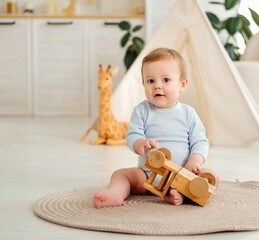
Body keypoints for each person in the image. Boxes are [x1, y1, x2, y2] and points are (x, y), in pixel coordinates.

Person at [94, 48, 220, 208]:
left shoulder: (188, 113)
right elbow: (132, 136)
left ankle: (179, 191)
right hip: (147, 176)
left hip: (183, 174)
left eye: (166, 80)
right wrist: (140, 143)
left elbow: (200, 141)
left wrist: (194, 161)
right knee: (121, 175)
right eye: (151, 81)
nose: (157, 86)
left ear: (183, 84)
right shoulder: (141, 111)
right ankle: (116, 193)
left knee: (212, 177)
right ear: (144, 84)